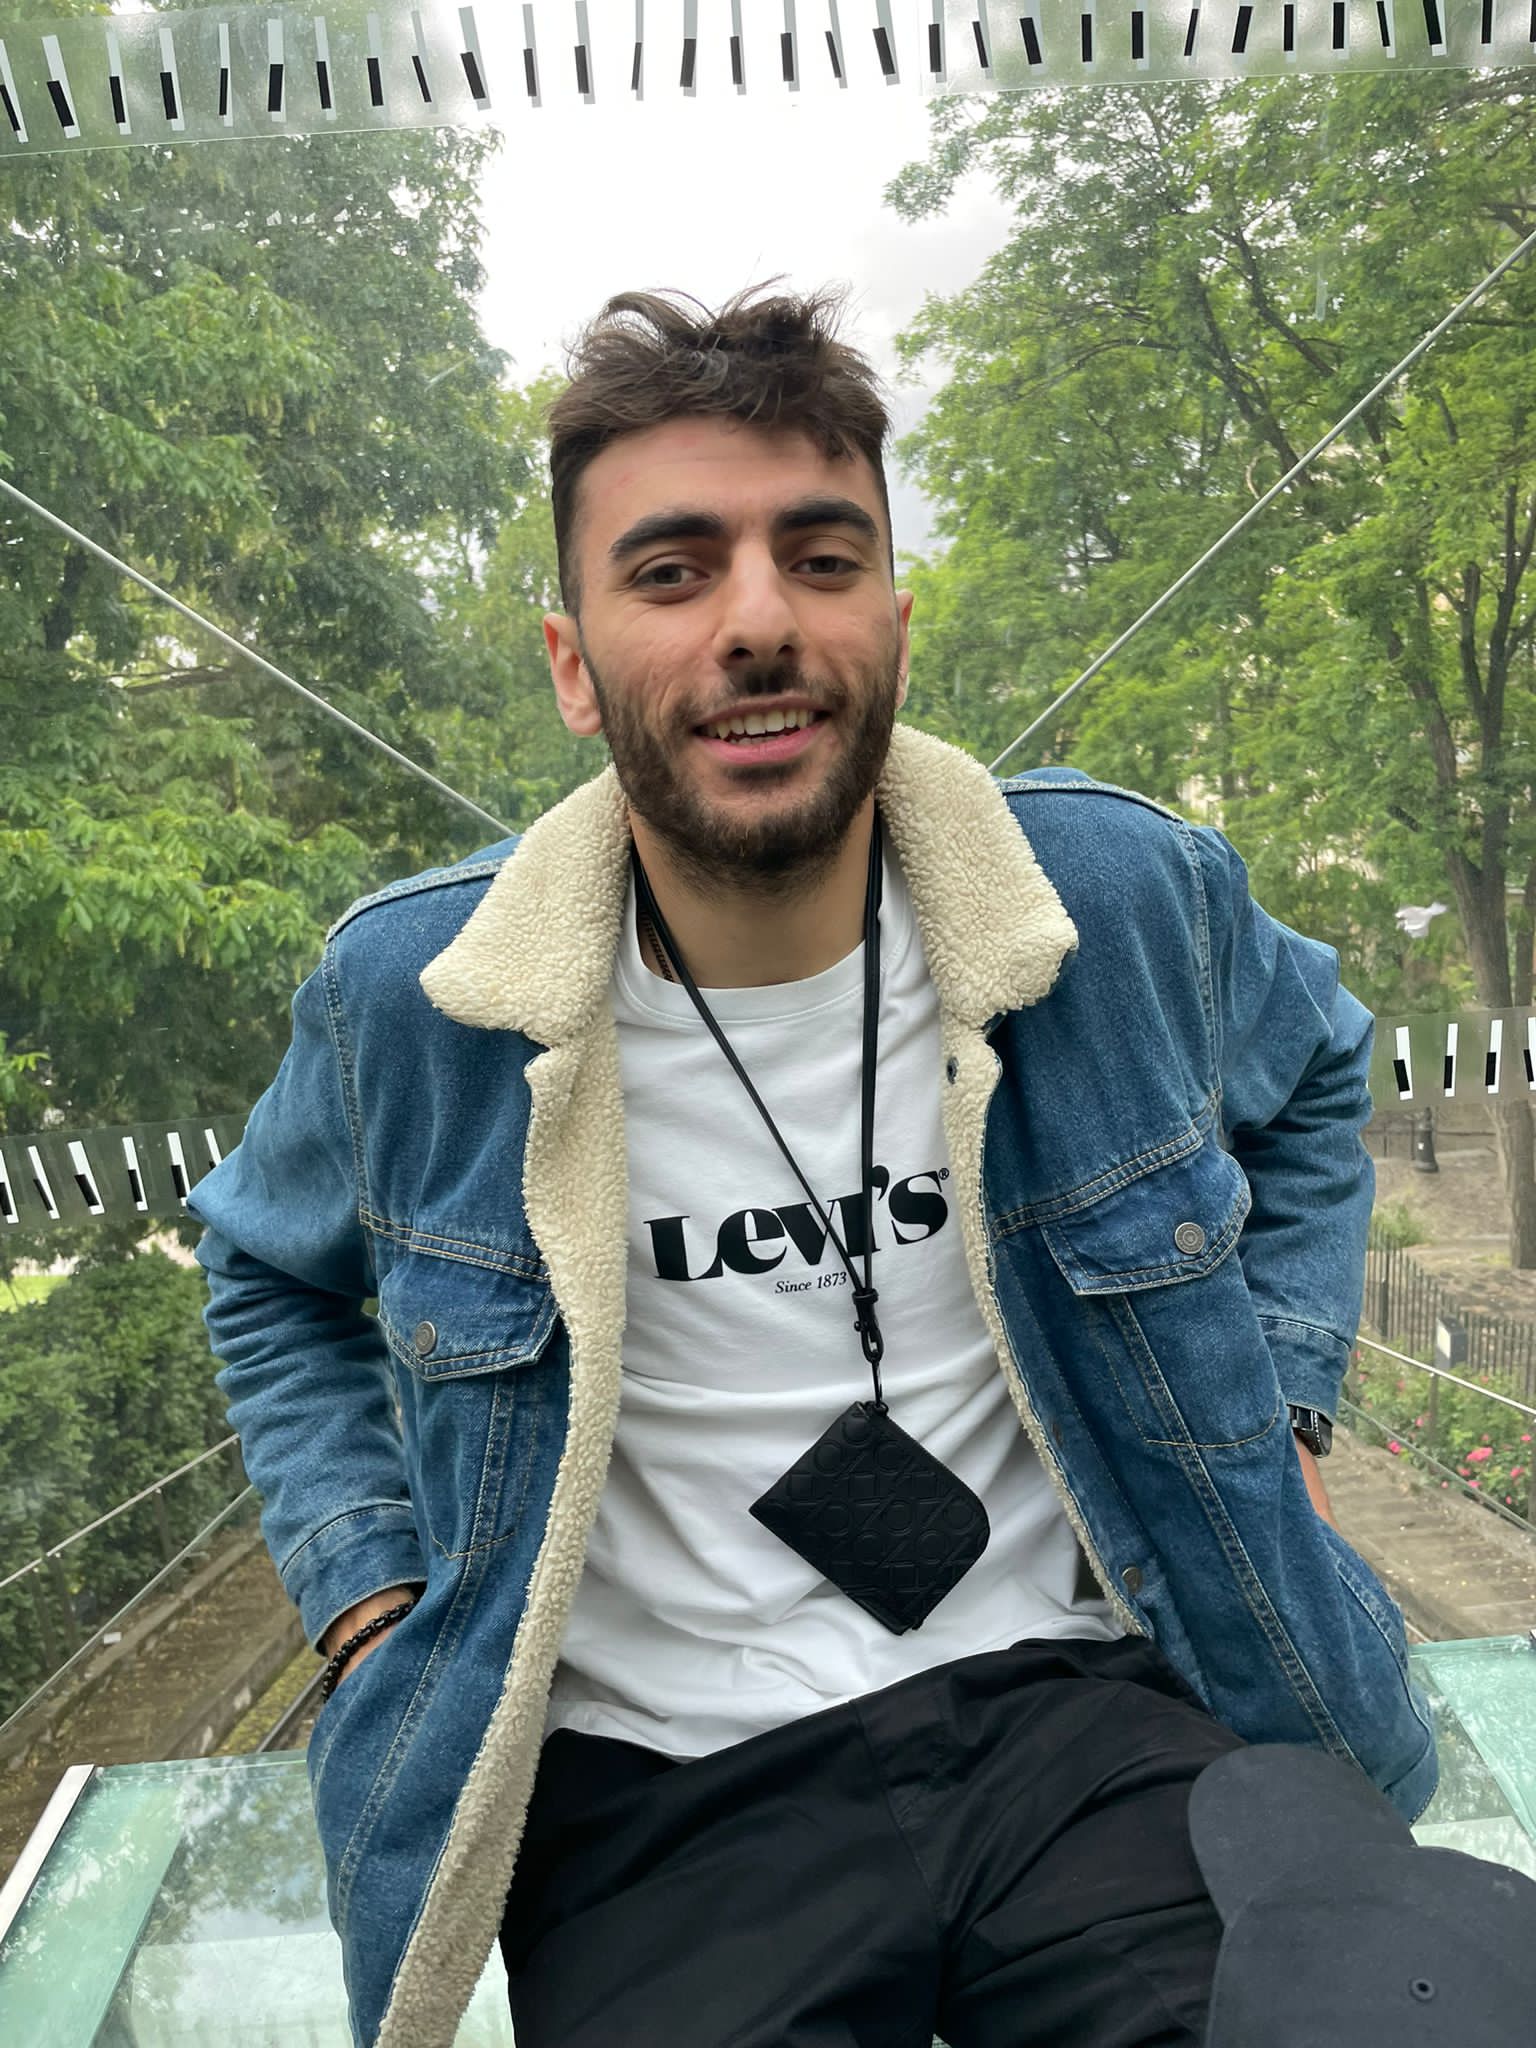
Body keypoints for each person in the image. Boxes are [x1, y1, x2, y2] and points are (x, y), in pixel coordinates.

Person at [188, 283, 1441, 2048]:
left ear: (896, 624)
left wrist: (1288, 1407)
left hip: (1091, 1719)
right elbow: (262, 1270)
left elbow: (1319, 1071)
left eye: (822, 557)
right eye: (673, 570)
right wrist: (369, 1596)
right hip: (661, 1794)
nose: (760, 620)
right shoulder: (419, 1003)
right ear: (572, 665)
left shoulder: (1116, 903)